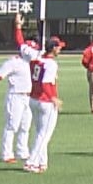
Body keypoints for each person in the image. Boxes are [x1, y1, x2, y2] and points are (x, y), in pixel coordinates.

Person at [0, 36, 37, 164]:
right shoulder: (13, 62)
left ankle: (22, 151)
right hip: (15, 96)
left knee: (25, 125)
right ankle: (6, 153)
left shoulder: (31, 63)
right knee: (12, 126)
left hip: (28, 97)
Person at [23, 35, 66, 174]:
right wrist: (53, 98)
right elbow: (46, 83)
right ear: (53, 48)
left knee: (39, 132)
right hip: (45, 101)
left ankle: (42, 162)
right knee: (44, 135)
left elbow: (21, 45)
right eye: (59, 47)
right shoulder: (51, 64)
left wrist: (17, 27)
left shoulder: (36, 59)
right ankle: (31, 162)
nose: (60, 49)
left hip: (33, 99)